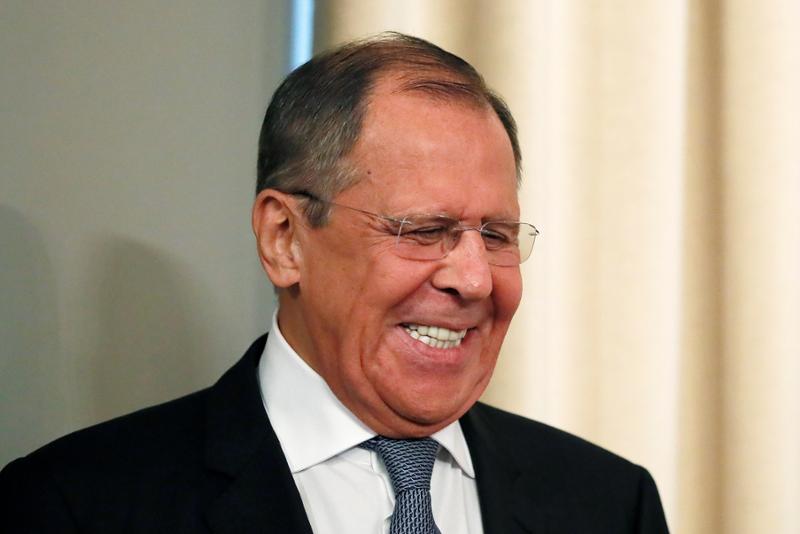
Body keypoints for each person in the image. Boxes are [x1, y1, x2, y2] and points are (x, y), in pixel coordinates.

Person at [0, 32, 669, 533]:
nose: (474, 279)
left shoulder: (610, 504)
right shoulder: (75, 506)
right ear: (284, 239)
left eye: (496, 235)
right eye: (423, 229)